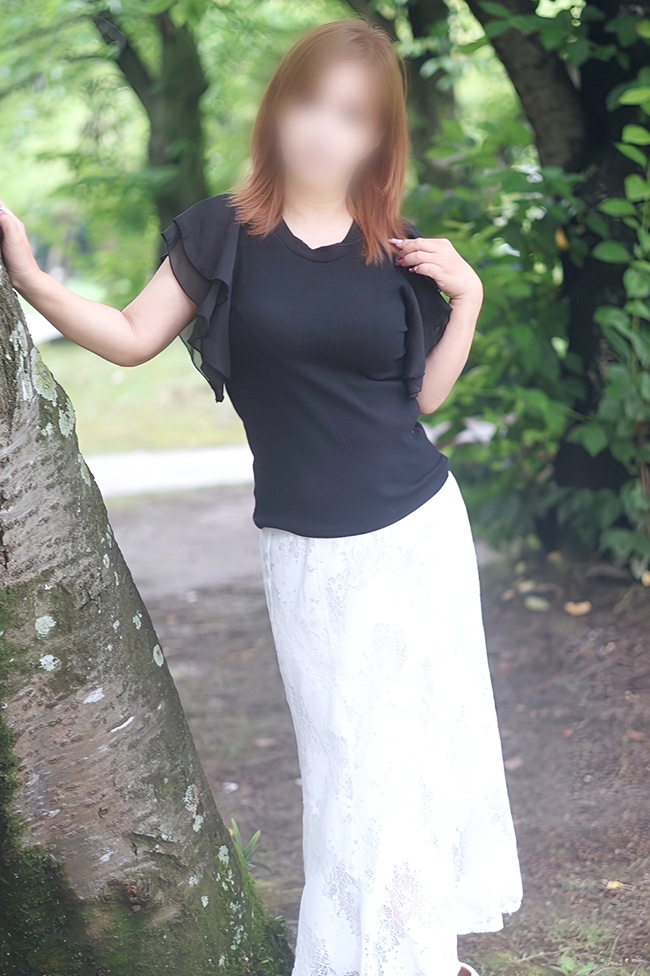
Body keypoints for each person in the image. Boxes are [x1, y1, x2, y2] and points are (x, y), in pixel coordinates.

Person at [0, 18, 522, 976]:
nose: (325, 129)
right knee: (349, 769)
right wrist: (29, 276)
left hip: (418, 535)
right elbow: (130, 336)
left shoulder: (394, 244)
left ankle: (414, 957)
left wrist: (470, 300)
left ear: (378, 137)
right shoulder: (221, 232)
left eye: (353, 116)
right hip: (312, 554)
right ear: (279, 106)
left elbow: (420, 400)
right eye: (311, 103)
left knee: (413, 765)